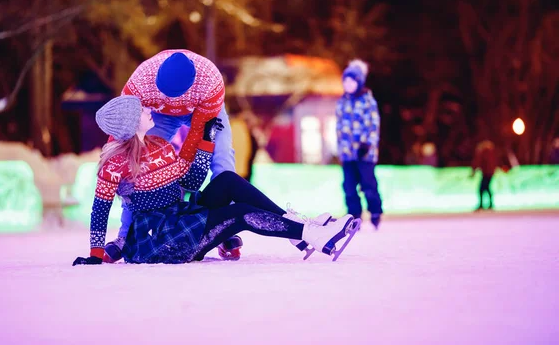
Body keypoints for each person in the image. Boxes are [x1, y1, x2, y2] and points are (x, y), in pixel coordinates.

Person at [72, 96, 359, 266]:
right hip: (160, 239)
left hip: (181, 216)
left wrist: (206, 136)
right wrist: (96, 254)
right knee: (240, 214)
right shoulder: (115, 162)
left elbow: (194, 181)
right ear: (131, 122)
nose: (149, 111)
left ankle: (299, 230)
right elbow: (100, 210)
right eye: (142, 111)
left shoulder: (159, 144)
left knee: (227, 181)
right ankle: (312, 235)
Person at [103, 50, 241, 262]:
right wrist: (114, 165)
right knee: (139, 162)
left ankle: (224, 230)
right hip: (159, 115)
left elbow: (195, 137)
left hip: (201, 110)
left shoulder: (210, 81)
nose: (170, 98)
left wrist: (186, 171)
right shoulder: (140, 83)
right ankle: (125, 234)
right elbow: (124, 134)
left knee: (223, 158)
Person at [336, 59, 383, 229]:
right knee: (349, 187)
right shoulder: (342, 102)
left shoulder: (367, 101)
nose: (347, 84)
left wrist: (367, 144)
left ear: (359, 82)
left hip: (365, 153)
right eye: (345, 81)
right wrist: (340, 148)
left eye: (351, 81)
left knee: (368, 185)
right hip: (347, 153)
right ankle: (354, 216)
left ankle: (375, 212)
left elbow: (373, 125)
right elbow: (340, 127)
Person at [471, 140, 500, 211]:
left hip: (487, 173)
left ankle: (484, 204)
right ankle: (489, 204)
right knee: (486, 188)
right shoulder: (492, 153)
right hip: (489, 173)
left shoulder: (484, 152)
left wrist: (473, 171)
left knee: (482, 188)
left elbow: (478, 162)